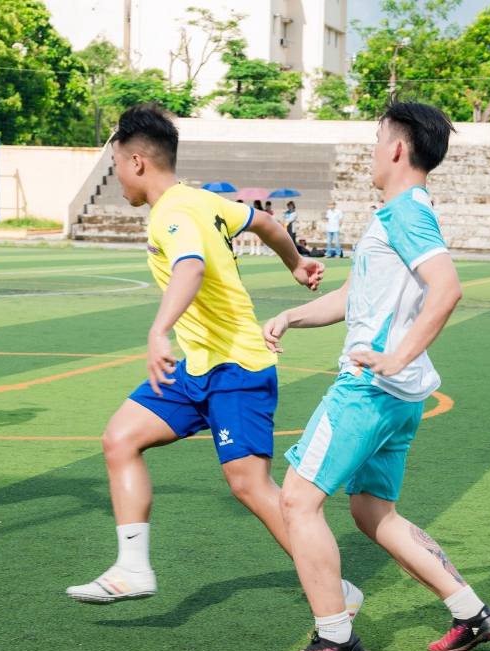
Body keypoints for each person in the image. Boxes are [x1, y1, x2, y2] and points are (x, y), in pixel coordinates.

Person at [264, 102, 490, 651]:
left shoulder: (404, 215)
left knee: (297, 501)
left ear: (397, 149)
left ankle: (336, 638)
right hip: (401, 396)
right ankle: (470, 612)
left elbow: (447, 289)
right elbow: (357, 298)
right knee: (373, 511)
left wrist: (394, 356)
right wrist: (293, 316)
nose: (373, 151)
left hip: (369, 390)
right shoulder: (402, 214)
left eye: (377, 140)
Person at [64, 103, 335, 606]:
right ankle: (132, 568)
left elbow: (189, 266)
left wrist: (158, 330)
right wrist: (296, 262)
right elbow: (263, 223)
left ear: (137, 163)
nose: (117, 175)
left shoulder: (171, 213)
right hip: (198, 365)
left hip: (237, 365)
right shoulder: (203, 200)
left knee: (251, 486)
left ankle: (335, 587)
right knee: (120, 438)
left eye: (117, 164)